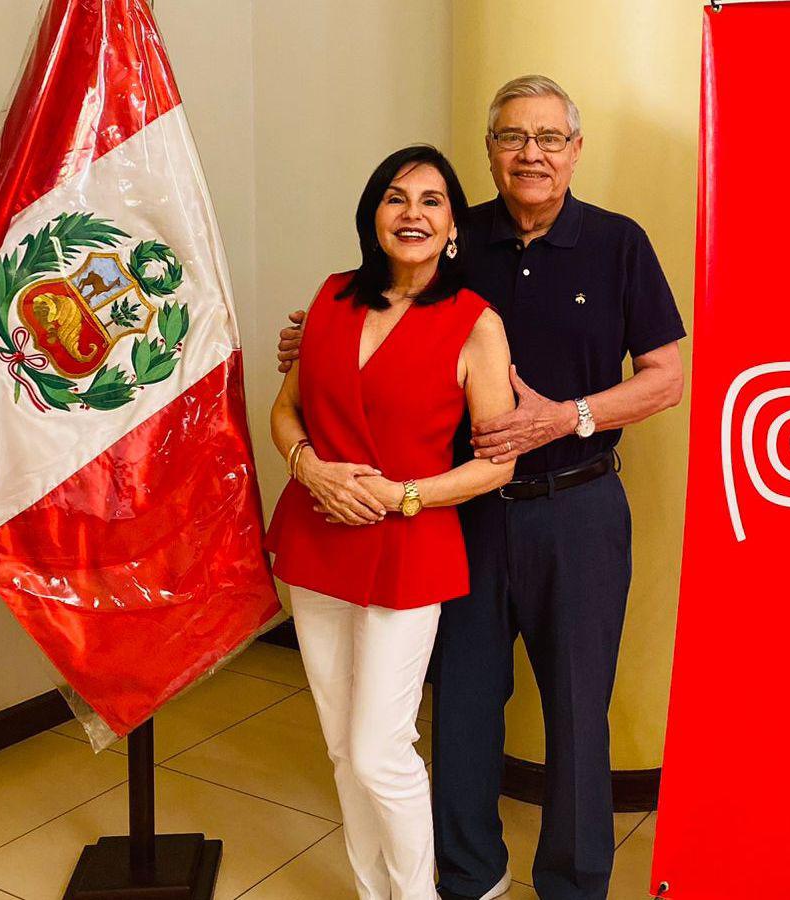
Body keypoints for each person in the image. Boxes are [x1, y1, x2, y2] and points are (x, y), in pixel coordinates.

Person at [279, 76, 686, 900]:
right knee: (462, 703)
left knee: (578, 708)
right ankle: (469, 874)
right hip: (462, 516)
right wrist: (315, 338)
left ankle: (573, 882)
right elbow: (385, 313)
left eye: (548, 138)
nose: (530, 154)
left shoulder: (618, 242)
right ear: (490, 150)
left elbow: (665, 378)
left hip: (577, 507)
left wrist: (567, 417)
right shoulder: (458, 237)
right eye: (511, 138)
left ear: (575, 150)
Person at [265, 144, 516, 900]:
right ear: (373, 216)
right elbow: (287, 412)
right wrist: (309, 466)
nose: (412, 213)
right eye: (395, 198)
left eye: (432, 201)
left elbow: (495, 463)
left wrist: (400, 496)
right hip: (317, 538)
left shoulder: (476, 324)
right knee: (344, 748)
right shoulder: (332, 297)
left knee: (380, 752)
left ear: (452, 228)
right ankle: (375, 891)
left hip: (411, 545)